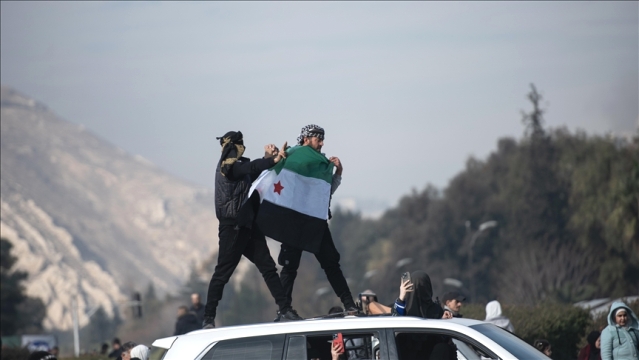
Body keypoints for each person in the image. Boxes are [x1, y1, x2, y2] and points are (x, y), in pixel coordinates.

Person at [202, 131, 302, 328]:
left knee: (268, 267)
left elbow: (254, 171)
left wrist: (270, 158)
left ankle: (285, 309)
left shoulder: (237, 168)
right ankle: (208, 318)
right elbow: (251, 167)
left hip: (247, 225)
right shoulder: (227, 167)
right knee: (223, 273)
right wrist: (272, 159)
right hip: (233, 228)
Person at [277, 124, 357, 314]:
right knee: (289, 267)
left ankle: (350, 305)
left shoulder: (321, 163)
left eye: (322, 139)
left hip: (315, 221)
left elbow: (325, 193)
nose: (321, 143)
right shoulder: (291, 157)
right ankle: (283, 311)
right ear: (306, 139)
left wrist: (338, 173)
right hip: (294, 221)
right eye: (317, 139)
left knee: (331, 264)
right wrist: (275, 157)